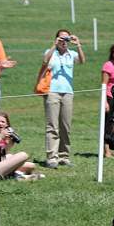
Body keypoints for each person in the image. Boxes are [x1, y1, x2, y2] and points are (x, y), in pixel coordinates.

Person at [42, 29, 86, 168]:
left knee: (65, 126)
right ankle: (51, 157)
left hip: (68, 92)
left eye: (66, 39)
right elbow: (45, 61)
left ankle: (64, 156)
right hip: (52, 91)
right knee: (52, 126)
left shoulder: (71, 54)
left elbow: (82, 61)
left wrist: (78, 44)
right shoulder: (51, 52)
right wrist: (54, 45)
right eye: (61, 39)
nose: (64, 42)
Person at [0, 112, 41, 180]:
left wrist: (9, 144)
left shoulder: (7, 136)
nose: (0, 123)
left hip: (2, 159)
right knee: (22, 159)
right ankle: (17, 175)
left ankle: (14, 174)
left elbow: (3, 154)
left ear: (7, 124)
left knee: (31, 166)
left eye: (3, 122)